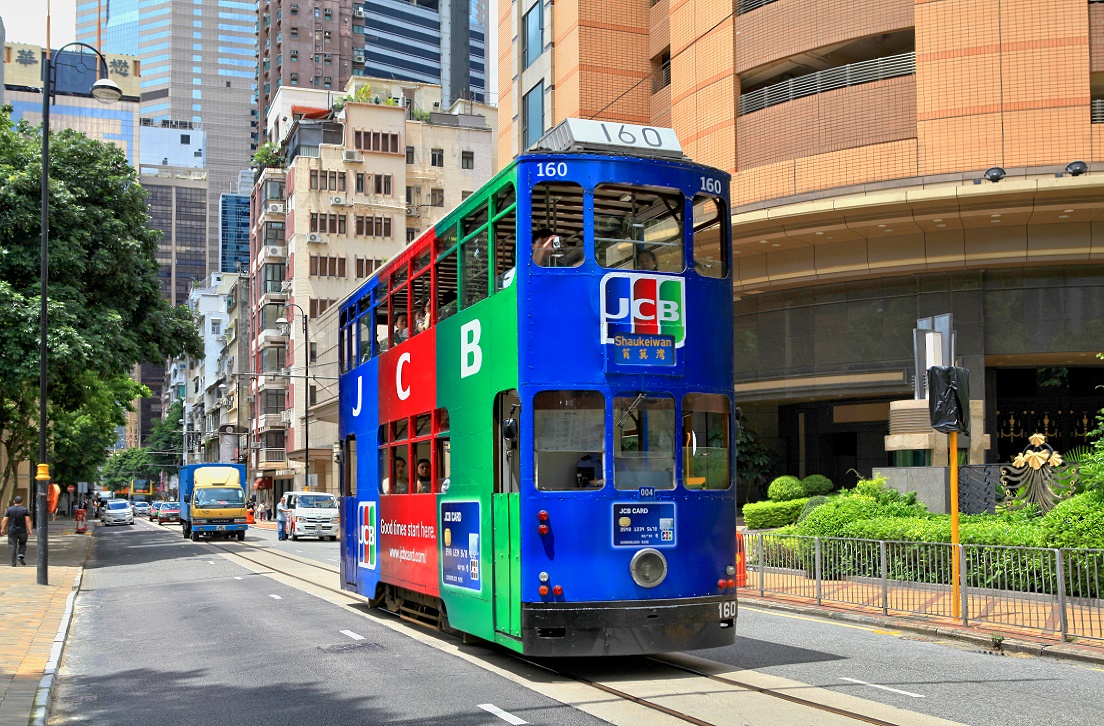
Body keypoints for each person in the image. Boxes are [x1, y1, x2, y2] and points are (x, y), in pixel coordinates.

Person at [2, 495, 33, 567]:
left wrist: (2, 529)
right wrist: (30, 530)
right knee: (22, 543)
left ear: (14, 502)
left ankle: (13, 563)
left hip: (12, 530)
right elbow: (28, 520)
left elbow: (5, 520)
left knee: (12, 545)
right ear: (22, 502)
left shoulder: (9, 509)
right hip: (22, 530)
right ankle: (20, 555)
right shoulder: (24, 509)